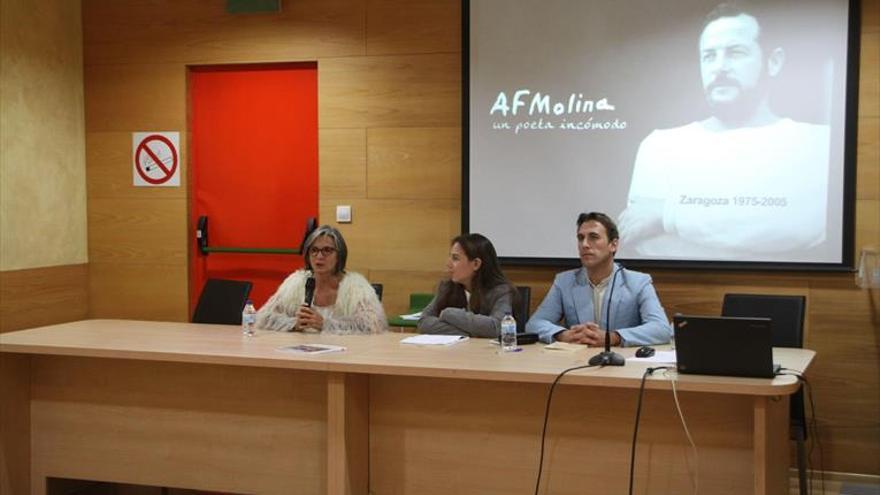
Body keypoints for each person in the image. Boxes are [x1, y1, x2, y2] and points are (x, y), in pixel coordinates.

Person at [618, 2, 830, 261]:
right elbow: (646, 244)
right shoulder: (660, 145)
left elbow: (799, 228)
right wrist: (753, 234)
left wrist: (666, 215)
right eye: (709, 56)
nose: (719, 67)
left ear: (773, 62)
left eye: (736, 53)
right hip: (682, 293)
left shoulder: (817, 143)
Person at [526, 212, 671, 346]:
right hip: (575, 362)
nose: (585, 245)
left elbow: (661, 329)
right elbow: (535, 323)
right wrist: (563, 335)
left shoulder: (638, 282)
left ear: (613, 245)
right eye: (581, 238)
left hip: (622, 364)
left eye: (593, 237)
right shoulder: (564, 281)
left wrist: (613, 337)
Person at [256, 225, 387, 334]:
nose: (319, 256)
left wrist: (325, 324)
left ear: (339, 255)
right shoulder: (295, 282)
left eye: (327, 250)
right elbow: (262, 318)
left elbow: (374, 324)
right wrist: (293, 323)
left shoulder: (357, 286)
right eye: (314, 250)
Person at [418, 233, 516, 338]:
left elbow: (497, 328)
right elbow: (423, 322)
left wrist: (449, 313)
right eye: (450, 257)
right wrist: (474, 333)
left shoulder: (501, 291)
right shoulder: (447, 287)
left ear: (476, 264)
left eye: (455, 258)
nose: (448, 264)